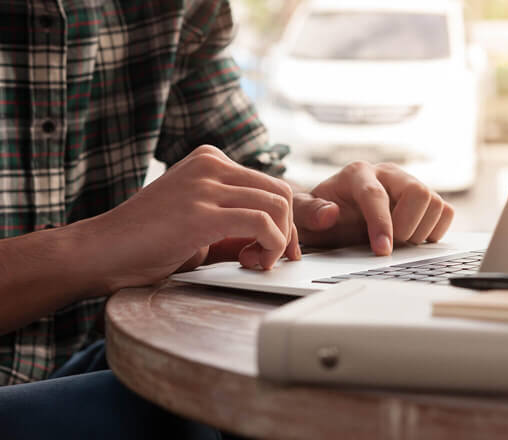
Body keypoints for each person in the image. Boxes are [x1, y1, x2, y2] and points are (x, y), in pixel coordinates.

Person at [0, 0, 454, 438]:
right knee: (185, 410)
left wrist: (313, 216)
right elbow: (118, 242)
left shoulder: (173, 6)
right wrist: (95, 247)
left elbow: (239, 173)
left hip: (90, 359)